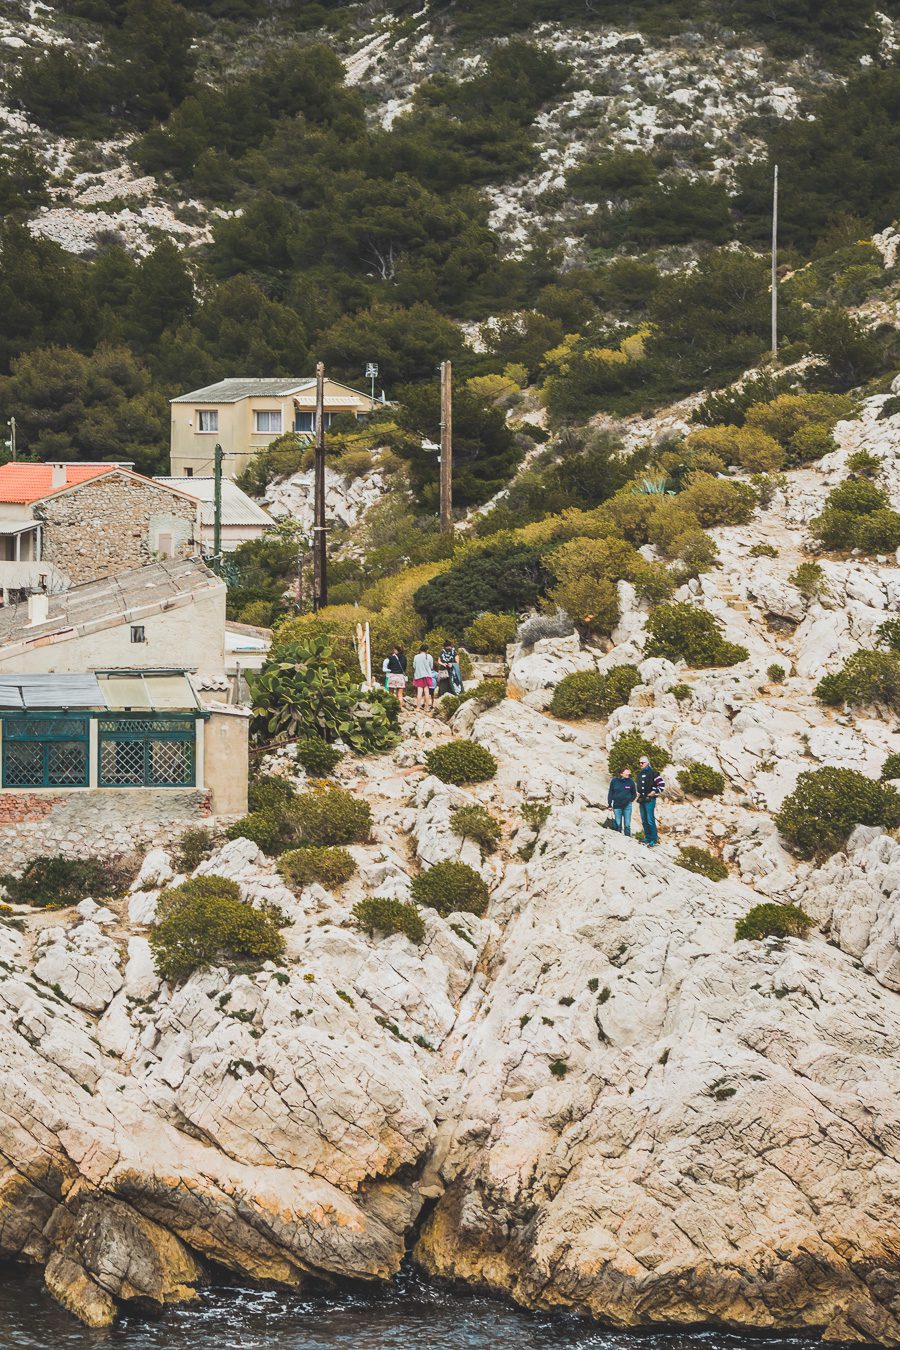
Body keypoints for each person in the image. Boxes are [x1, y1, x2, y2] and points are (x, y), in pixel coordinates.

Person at [636, 754, 665, 846]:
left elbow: (662, 784)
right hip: (642, 799)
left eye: (643, 762)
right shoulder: (640, 774)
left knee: (650, 819)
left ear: (647, 763)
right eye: (640, 763)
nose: (641, 764)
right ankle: (647, 838)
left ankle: (654, 839)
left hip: (650, 799)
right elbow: (640, 786)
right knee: (644, 819)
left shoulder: (653, 773)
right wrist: (638, 792)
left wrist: (654, 791)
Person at [607, 765, 637, 836]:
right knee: (618, 824)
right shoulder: (614, 781)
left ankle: (628, 839)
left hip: (627, 806)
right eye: (626, 773)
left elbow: (634, 794)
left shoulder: (631, 782)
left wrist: (630, 800)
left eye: (628, 773)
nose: (628, 774)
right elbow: (610, 793)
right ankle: (618, 839)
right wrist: (609, 804)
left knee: (627, 825)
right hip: (617, 806)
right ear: (621, 774)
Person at [382, 645, 407, 709]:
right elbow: (404, 668)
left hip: (392, 675)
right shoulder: (404, 658)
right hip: (400, 676)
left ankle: (390, 707)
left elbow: (389, 667)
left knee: (391, 693)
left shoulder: (391, 658)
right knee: (400, 694)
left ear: (396, 650)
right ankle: (400, 707)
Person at [412, 644, 435, 713]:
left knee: (419, 692)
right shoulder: (429, 656)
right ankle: (427, 707)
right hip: (427, 675)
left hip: (419, 675)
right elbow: (431, 666)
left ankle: (418, 707)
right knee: (427, 692)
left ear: (420, 649)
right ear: (427, 650)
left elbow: (414, 666)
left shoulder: (416, 656)